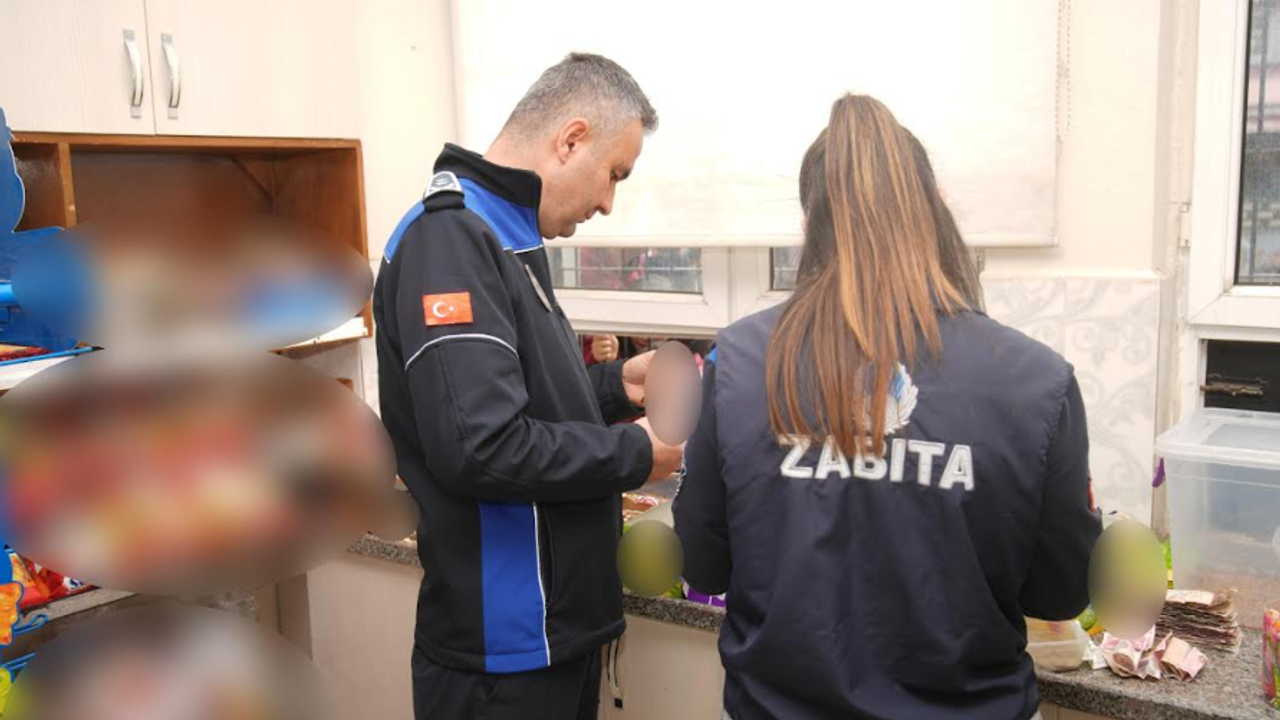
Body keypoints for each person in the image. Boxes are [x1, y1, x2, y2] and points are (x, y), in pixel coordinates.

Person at [673, 94, 1102, 720]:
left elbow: (704, 566)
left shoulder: (737, 361)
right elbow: (1061, 593)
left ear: (808, 228)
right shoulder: (1037, 381)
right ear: (935, 212)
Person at [373, 53, 684, 720]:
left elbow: (520, 398)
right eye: (613, 174)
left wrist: (615, 385)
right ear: (571, 140)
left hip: (551, 636)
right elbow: (481, 446)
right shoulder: (451, 239)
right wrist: (637, 453)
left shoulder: (502, 233)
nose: (608, 203)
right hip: (504, 652)